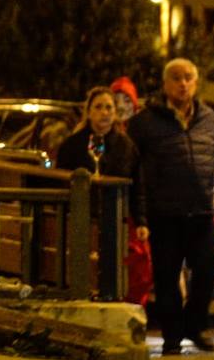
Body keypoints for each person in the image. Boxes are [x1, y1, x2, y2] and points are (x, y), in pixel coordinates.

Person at [127, 58, 214, 356]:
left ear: (196, 82)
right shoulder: (145, 123)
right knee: (166, 278)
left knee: (207, 270)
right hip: (164, 213)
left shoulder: (209, 119)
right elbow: (136, 173)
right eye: (177, 78)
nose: (183, 84)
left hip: (201, 212)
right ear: (166, 84)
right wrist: (141, 215)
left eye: (189, 78)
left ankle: (196, 324)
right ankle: (172, 337)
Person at [56, 86, 149, 303]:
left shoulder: (126, 146)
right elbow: (60, 182)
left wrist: (142, 220)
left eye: (109, 107)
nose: (104, 112)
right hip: (83, 219)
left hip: (117, 220)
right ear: (88, 112)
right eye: (98, 107)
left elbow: (138, 186)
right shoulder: (73, 145)